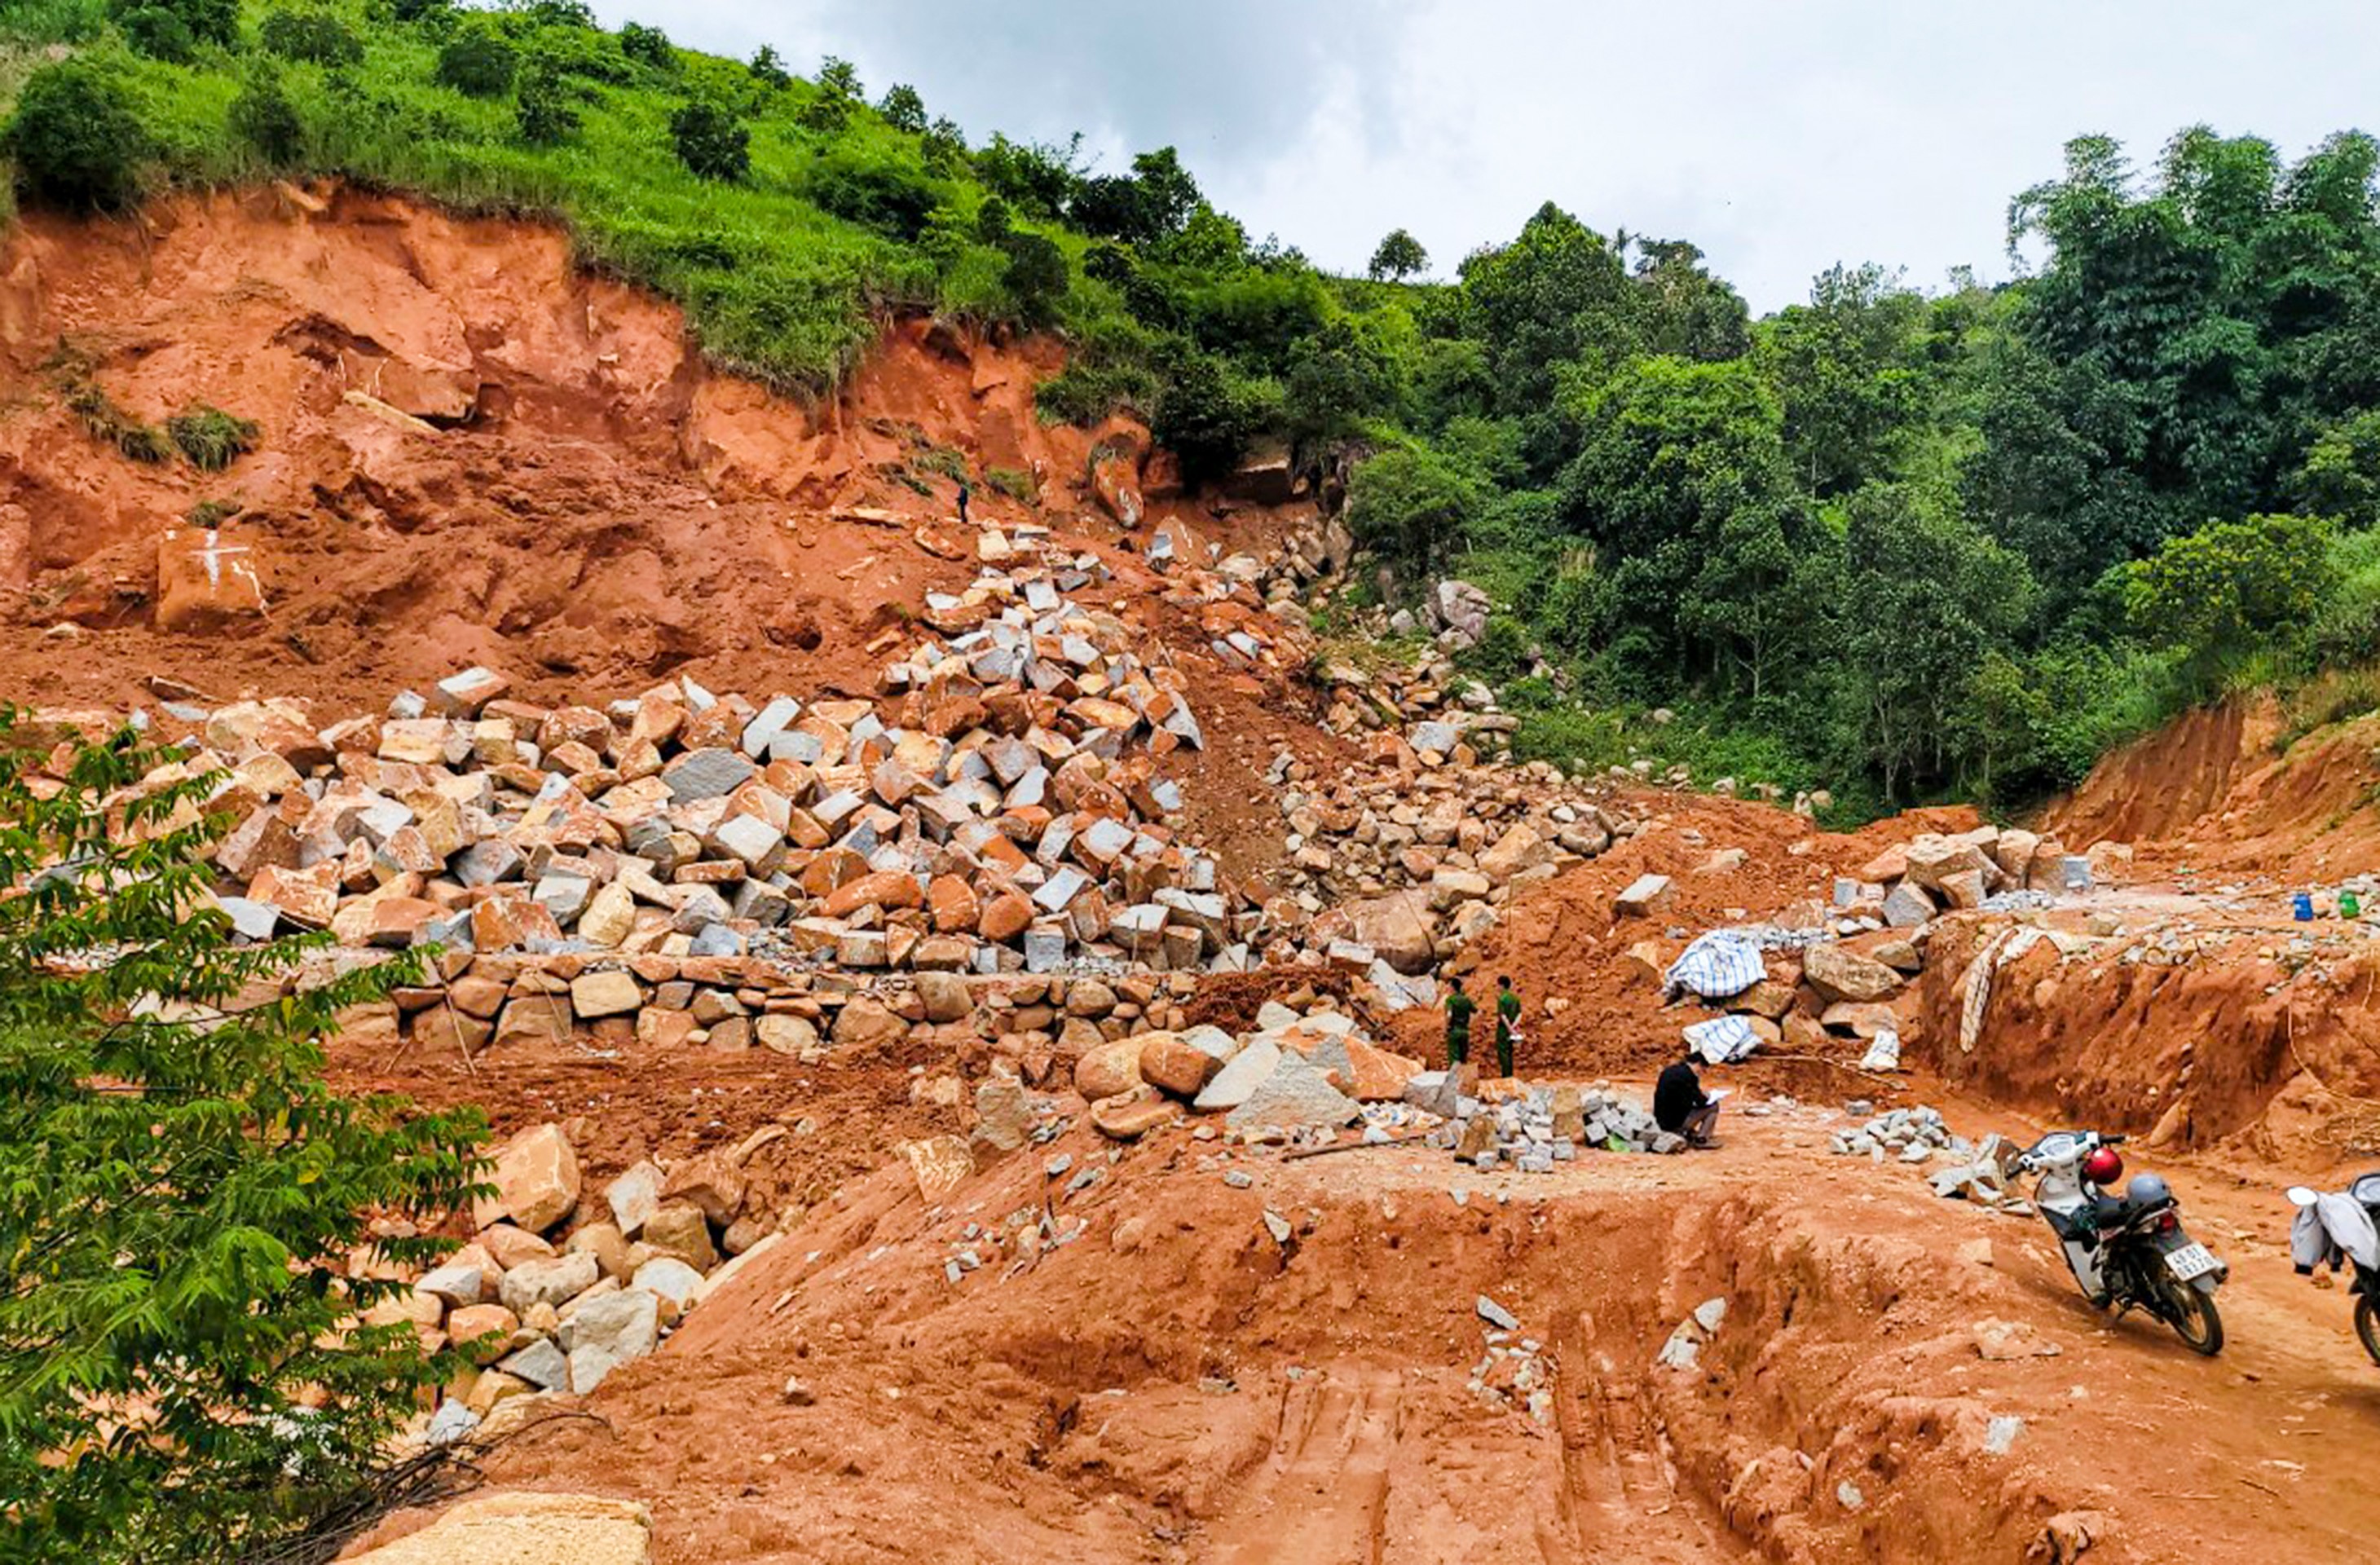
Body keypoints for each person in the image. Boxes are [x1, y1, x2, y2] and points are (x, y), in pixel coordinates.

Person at [1654, 1045, 1721, 1147]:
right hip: (1675, 1123)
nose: (1701, 1073)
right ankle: (1702, 1138)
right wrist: (1708, 1096)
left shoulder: (1670, 1070)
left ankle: (1690, 1133)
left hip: (1660, 1119)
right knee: (1713, 1106)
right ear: (1698, 1065)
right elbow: (1700, 1101)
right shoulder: (1689, 1076)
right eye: (1703, 1070)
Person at [1443, 979, 1474, 1070]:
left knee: (1454, 1060)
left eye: (1449, 986)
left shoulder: (1450, 1000)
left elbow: (1449, 1014)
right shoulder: (1466, 1000)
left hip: (1454, 1032)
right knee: (1463, 1059)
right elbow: (1478, 1012)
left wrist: (1446, 1027)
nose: (1447, 988)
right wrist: (1471, 1024)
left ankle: (1455, 1081)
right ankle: (1464, 1080)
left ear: (1453, 987)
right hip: (1465, 1032)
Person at [1494, 974, 1521, 1079]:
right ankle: (1510, 1075)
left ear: (1502, 986)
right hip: (1513, 1029)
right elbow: (1519, 1014)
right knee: (1510, 1053)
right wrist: (1514, 1027)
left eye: (1497, 985)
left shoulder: (1502, 999)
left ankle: (1506, 1077)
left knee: (1503, 1054)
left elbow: (1503, 1015)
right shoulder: (1515, 998)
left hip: (1503, 1030)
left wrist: (1509, 1028)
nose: (1497, 987)